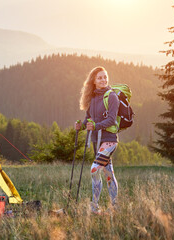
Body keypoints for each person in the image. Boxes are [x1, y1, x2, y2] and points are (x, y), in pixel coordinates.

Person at [75, 66, 119, 214]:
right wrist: (81, 126)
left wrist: (96, 126)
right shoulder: (92, 98)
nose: (103, 80)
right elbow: (88, 119)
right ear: (93, 80)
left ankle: (94, 206)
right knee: (108, 173)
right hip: (96, 140)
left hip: (109, 140)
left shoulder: (112, 96)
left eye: (105, 77)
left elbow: (112, 120)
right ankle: (113, 208)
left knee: (94, 170)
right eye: (100, 77)